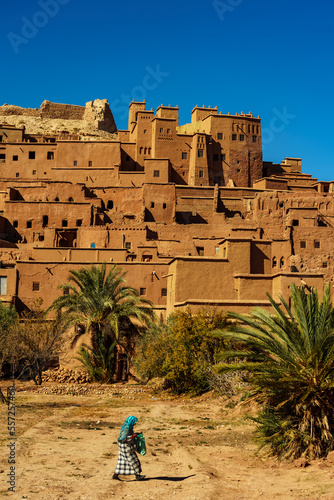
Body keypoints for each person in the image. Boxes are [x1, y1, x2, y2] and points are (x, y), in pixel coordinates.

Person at [113, 415, 145, 481]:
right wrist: (133, 436)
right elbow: (123, 438)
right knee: (133, 459)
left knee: (122, 461)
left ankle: (115, 475)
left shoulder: (127, 426)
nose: (135, 424)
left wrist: (135, 434)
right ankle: (137, 475)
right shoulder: (126, 428)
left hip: (124, 446)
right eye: (134, 422)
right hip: (125, 446)